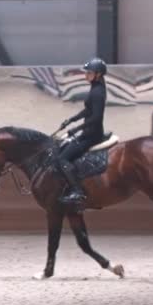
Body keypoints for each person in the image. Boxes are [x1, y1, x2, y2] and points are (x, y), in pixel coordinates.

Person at [57, 58, 107, 204]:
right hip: (89, 132)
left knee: (62, 159)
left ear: (98, 74)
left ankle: (77, 191)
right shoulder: (96, 88)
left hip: (91, 135)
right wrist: (71, 120)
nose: (86, 75)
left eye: (89, 73)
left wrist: (76, 129)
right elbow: (88, 110)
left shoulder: (97, 92)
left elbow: (96, 117)